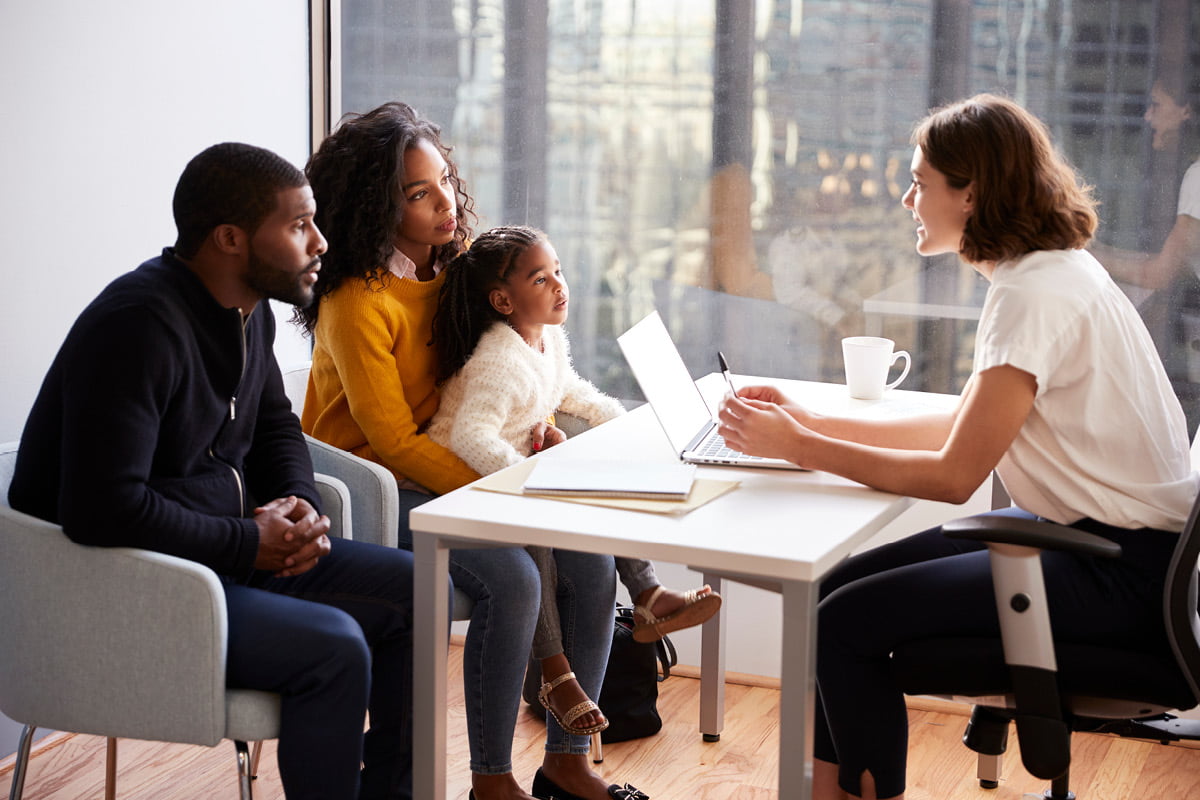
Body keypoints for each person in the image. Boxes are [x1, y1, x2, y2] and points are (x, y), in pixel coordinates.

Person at [717, 94, 1199, 800]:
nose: (906, 197)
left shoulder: (1033, 294)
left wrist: (805, 447)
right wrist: (807, 427)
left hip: (1117, 574)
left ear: (970, 193)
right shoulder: (1046, 272)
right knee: (832, 592)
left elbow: (955, 473)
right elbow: (965, 426)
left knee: (841, 623)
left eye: (921, 181)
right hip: (1101, 547)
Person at [7, 143, 421, 800]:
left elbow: (276, 427)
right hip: (124, 588)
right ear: (230, 239)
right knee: (334, 647)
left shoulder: (245, 312)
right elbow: (101, 507)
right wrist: (250, 540)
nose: (319, 241)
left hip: (217, 558)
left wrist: (297, 501)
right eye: (297, 225)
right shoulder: (137, 328)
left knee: (418, 590)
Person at [298, 102, 648, 800]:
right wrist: (505, 490)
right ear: (377, 204)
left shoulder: (457, 269)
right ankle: (492, 779)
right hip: (373, 486)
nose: (446, 204)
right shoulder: (356, 300)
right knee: (514, 578)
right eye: (418, 194)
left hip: (455, 462)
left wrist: (540, 432)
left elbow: (504, 374)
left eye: (446, 183)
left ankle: (568, 762)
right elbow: (392, 440)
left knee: (595, 555)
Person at [427, 224, 722, 735]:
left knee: (598, 497)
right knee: (539, 532)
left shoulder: (548, 342)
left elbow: (572, 392)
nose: (559, 285)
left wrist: (632, 424)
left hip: (511, 470)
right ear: (502, 299)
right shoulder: (498, 361)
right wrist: (527, 480)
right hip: (463, 487)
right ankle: (554, 671)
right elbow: (470, 438)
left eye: (558, 271)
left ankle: (647, 594)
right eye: (540, 279)